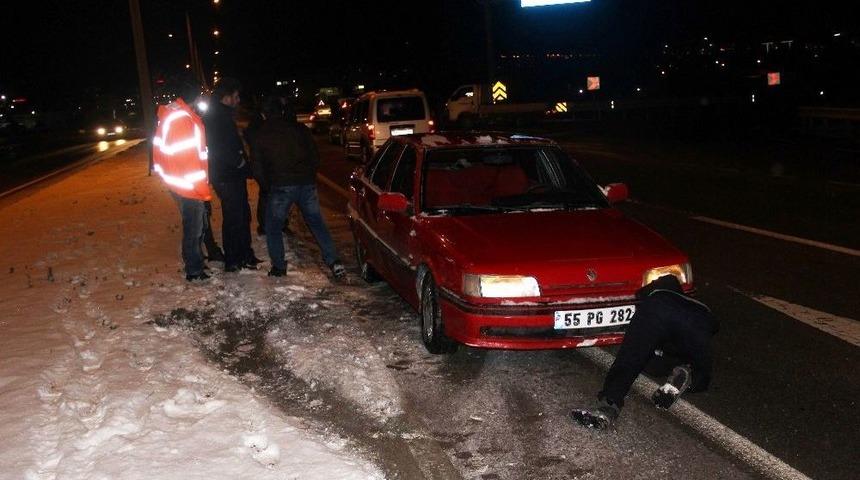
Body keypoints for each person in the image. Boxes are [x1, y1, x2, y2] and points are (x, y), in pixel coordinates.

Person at [572, 274, 719, 429]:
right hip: (701, 322)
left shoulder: (660, 292)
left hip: (658, 307)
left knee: (632, 356)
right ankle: (688, 372)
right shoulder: (692, 302)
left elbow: (641, 295)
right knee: (697, 368)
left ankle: (609, 405)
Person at [250, 96, 345, 279]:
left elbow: (257, 168)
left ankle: (278, 266)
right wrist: (308, 176)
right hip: (306, 184)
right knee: (316, 223)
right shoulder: (300, 129)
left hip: (280, 186)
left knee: (273, 226)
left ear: (264, 114)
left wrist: (268, 187)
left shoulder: (261, 135)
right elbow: (315, 157)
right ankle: (333, 260)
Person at [151, 85, 213, 281]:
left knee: (196, 227)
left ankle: (196, 263)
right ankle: (194, 270)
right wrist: (202, 190)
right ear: (195, 97)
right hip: (188, 186)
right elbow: (189, 160)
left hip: (179, 182)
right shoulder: (182, 120)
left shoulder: (174, 114)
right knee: (194, 230)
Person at [203, 77, 260, 272]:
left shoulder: (223, 114)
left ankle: (244, 254)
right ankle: (234, 259)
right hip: (226, 175)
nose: (238, 100)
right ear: (226, 97)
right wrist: (240, 162)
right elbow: (219, 147)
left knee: (242, 214)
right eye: (235, 96)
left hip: (232, 174)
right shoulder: (216, 117)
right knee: (234, 216)